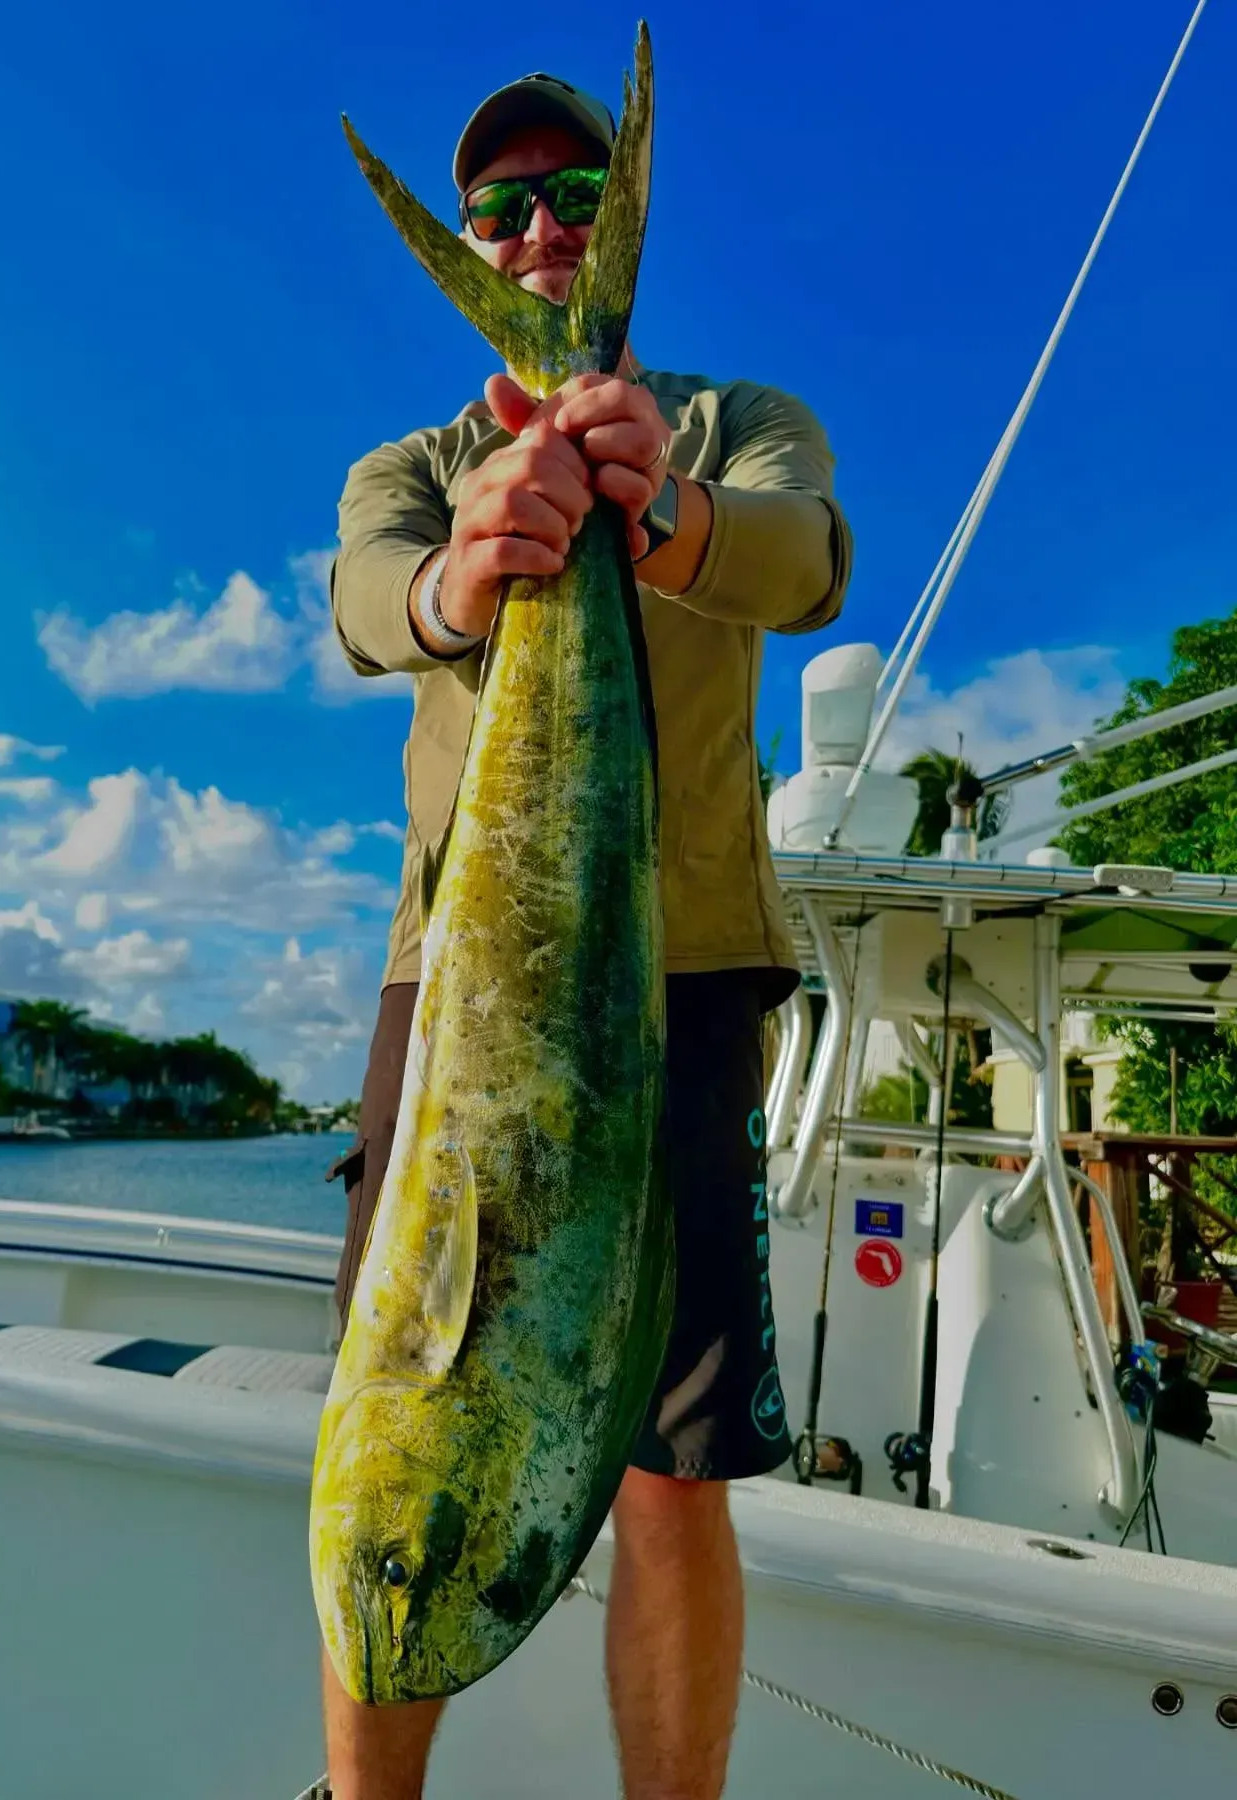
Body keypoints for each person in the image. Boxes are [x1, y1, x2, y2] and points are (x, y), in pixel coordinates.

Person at [317, 67, 853, 1800]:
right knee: (404, 1389)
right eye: (504, 211)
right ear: (481, 239)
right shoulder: (416, 465)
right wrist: (467, 574)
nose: (542, 232)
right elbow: (366, 603)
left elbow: (808, 561)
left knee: (672, 1467)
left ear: (617, 212)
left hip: (681, 989)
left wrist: (664, 514)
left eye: (575, 194)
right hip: (453, 981)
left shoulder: (736, 423)